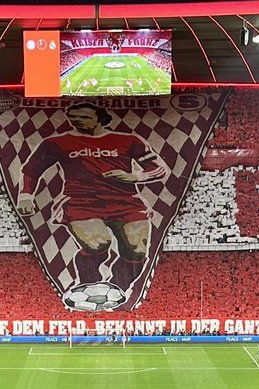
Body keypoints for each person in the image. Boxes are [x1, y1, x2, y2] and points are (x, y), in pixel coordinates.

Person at [15, 102, 170, 294]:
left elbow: (159, 168)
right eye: (73, 118)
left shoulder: (129, 140)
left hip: (126, 201)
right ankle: (88, 285)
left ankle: (117, 290)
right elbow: (31, 169)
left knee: (137, 251)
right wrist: (26, 196)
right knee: (97, 244)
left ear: (100, 119)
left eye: (84, 117)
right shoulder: (55, 143)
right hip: (81, 201)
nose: (77, 121)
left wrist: (137, 176)